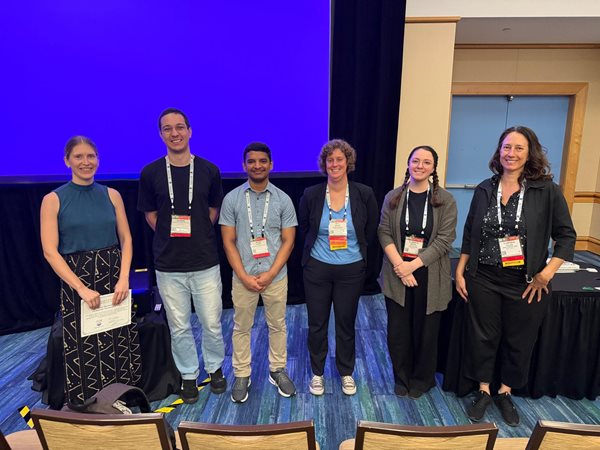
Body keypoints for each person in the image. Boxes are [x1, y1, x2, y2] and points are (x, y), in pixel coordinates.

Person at [455, 126, 576, 426]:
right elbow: (470, 232)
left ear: (530, 152)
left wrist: (546, 274)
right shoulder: (485, 188)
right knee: (483, 337)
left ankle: (505, 392)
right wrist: (460, 269)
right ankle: (484, 390)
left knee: (518, 339)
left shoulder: (546, 190)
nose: (511, 153)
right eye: (506, 147)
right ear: (499, 151)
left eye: (519, 148)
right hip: (483, 277)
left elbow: (566, 237)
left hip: (526, 282)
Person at [40, 136, 142, 406]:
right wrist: (81, 289)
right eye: (79, 156)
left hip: (114, 277)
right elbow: (50, 251)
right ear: (67, 161)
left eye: (91, 156)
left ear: (98, 159)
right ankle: (88, 403)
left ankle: (121, 398)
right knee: (84, 345)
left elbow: (126, 240)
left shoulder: (112, 195)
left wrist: (124, 278)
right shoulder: (53, 200)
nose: (86, 162)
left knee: (118, 339)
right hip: (78, 282)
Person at [137, 108, 226, 404]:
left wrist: (196, 232)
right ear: (160, 134)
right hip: (168, 265)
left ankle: (215, 368)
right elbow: (151, 215)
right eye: (167, 129)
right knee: (179, 326)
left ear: (189, 131)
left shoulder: (209, 170)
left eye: (179, 127)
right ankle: (188, 374)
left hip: (205, 262)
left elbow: (212, 211)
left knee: (212, 322)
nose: (174, 133)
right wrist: (169, 234)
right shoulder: (150, 173)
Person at [298, 139, 378, 396]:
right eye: (330, 160)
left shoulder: (364, 193)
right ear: (324, 164)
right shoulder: (311, 194)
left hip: (351, 269)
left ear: (348, 162)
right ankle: (317, 373)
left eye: (339, 159)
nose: (334, 164)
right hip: (317, 268)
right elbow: (305, 228)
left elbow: (370, 229)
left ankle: (346, 372)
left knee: (345, 322)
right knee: (317, 323)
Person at [219, 142, 297, 403]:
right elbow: (228, 241)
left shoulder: (283, 199)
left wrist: (271, 273)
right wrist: (243, 276)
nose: (257, 166)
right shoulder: (232, 199)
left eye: (263, 161)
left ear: (271, 165)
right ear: (244, 165)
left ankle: (277, 370)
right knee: (241, 327)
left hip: (276, 276)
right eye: (251, 161)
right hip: (244, 277)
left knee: (278, 325)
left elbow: (288, 241)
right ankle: (242, 374)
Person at [378, 146, 457, 399]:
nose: (420, 166)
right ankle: (401, 378)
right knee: (398, 331)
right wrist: (400, 267)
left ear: (433, 168)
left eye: (426, 162)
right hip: (397, 272)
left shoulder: (445, 200)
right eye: (415, 161)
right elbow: (384, 232)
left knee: (426, 331)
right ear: (408, 164)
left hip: (430, 274)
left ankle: (422, 379)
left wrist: (411, 266)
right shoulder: (393, 197)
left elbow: (445, 240)